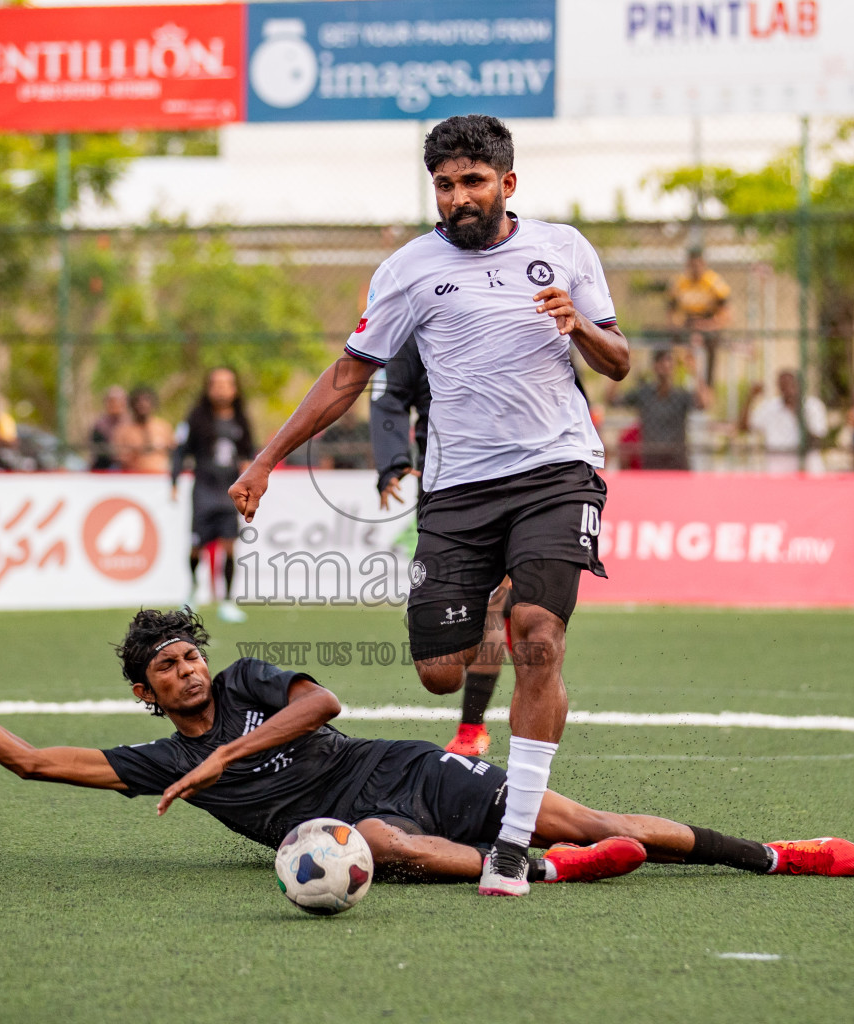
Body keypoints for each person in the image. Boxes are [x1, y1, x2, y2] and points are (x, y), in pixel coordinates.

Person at [227, 115, 631, 897]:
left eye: (473, 181)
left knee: (539, 638)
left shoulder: (566, 249)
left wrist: (578, 323)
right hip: (459, 490)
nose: (457, 198)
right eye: (444, 185)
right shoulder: (407, 270)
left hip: (557, 469)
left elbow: (616, 361)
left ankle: (514, 841)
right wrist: (267, 458)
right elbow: (348, 377)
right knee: (441, 674)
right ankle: (493, 601)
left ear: (507, 184)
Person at [0, 613, 854, 887]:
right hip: (356, 819)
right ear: (144, 690)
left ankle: (779, 853)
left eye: (188, 654)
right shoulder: (153, 759)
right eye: (166, 667)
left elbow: (328, 700)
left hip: (400, 762)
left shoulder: (251, 679)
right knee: (380, 842)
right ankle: (546, 874)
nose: (186, 670)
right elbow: (33, 760)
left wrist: (220, 763)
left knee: (595, 815)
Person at [372, 337, 509, 758]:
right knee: (443, 660)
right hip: (442, 487)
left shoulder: (515, 311)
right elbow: (388, 395)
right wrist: (392, 461)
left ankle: (471, 728)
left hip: (516, 479)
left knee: (498, 607)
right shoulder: (418, 330)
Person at [173, 367, 253, 624]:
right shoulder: (196, 418)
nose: (221, 388)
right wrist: (173, 480)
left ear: (235, 388)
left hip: (230, 491)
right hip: (204, 490)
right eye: (216, 384)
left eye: (227, 383)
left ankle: (227, 600)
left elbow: (249, 454)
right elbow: (179, 451)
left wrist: (248, 476)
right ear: (208, 388)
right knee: (197, 544)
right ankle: (193, 590)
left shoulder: (241, 420)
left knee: (230, 544)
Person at [610, 348, 708, 471]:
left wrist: (695, 371)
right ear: (655, 366)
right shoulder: (644, 393)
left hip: (677, 460)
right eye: (662, 362)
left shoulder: (681, 395)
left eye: (669, 361)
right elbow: (611, 399)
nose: (666, 366)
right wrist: (622, 365)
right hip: (651, 460)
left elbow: (704, 403)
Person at [737, 369, 827, 475]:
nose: (788, 389)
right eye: (783, 385)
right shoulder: (770, 408)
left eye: (791, 384)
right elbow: (743, 427)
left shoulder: (813, 406)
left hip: (809, 469)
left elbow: (817, 440)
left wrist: (798, 412)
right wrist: (750, 397)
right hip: (778, 469)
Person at [667, 247, 731, 384]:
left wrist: (709, 325)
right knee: (671, 345)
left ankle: (707, 384)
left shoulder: (713, 281)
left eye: (698, 264)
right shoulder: (680, 282)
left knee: (710, 347)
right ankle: (677, 381)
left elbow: (726, 311)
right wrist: (676, 325)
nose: (695, 268)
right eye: (692, 264)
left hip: (708, 323)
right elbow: (671, 310)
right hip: (687, 324)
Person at [113, 387, 174, 473]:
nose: (143, 405)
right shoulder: (123, 431)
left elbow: (174, 451)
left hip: (161, 476)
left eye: (146, 402)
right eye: (139, 402)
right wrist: (135, 452)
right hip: (135, 478)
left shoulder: (163, 427)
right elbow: (118, 456)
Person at [88, 386, 129, 471]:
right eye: (111, 401)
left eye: (118, 401)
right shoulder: (99, 425)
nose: (115, 404)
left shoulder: (131, 423)